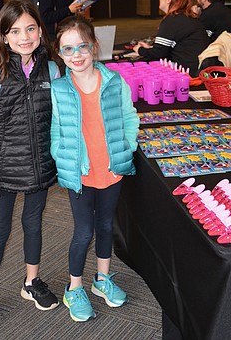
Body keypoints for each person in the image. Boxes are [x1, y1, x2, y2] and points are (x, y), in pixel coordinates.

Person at [0, 0, 60, 336]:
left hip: (40, 167)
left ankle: (31, 281)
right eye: (15, 30)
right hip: (4, 169)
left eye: (31, 28)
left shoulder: (53, 69)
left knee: (33, 224)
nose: (24, 36)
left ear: (40, 32)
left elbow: (61, 119)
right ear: (3, 36)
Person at [50, 16, 139, 322]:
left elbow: (129, 117)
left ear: (94, 47)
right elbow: (56, 131)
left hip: (111, 169)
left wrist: (127, 147)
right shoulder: (59, 89)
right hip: (80, 174)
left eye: (82, 46)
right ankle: (74, 287)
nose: (76, 54)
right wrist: (62, 158)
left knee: (104, 227)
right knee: (83, 231)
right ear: (60, 54)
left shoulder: (114, 81)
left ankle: (102, 279)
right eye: (68, 49)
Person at [133, 0, 209, 77]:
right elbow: (168, 48)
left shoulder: (171, 20)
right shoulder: (187, 17)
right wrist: (150, 48)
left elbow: (158, 54)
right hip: (199, 68)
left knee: (140, 69)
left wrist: (140, 50)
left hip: (187, 72)